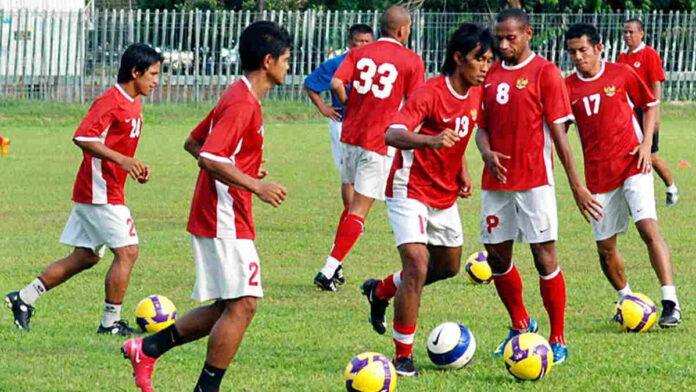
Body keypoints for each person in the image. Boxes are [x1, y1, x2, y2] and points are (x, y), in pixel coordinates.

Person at [121, 21, 290, 392]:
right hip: (222, 215)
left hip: (226, 212)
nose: (288, 66)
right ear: (268, 60)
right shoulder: (242, 102)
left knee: (228, 305)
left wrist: (240, 169)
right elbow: (209, 157)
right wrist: (255, 184)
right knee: (243, 305)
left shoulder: (241, 96)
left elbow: (195, 142)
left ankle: (147, 348)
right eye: (286, 59)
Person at [360, 24, 493, 376]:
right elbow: (391, 133)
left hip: (443, 192)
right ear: (458, 57)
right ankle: (402, 356)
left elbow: (459, 134)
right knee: (417, 264)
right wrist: (430, 141)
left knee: (448, 267)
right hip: (409, 188)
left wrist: (461, 168)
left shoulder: (477, 93)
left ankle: (381, 290)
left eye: (489, 60)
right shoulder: (429, 93)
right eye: (479, 59)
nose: (485, 67)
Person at [5, 44, 162, 335]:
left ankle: (23, 298)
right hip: (99, 192)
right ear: (135, 72)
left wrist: (132, 168)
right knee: (127, 252)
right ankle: (110, 323)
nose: (156, 81)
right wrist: (123, 160)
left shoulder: (134, 101)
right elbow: (82, 137)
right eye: (152, 74)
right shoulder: (111, 101)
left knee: (85, 256)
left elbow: (118, 145)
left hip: (106, 189)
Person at [475, 9, 602, 364]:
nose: (502, 44)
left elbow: (560, 135)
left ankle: (557, 337)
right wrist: (485, 153)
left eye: (510, 38)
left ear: (528, 33)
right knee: (496, 256)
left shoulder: (546, 73)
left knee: (543, 257)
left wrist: (577, 186)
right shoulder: (490, 73)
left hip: (535, 182)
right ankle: (520, 324)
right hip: (496, 182)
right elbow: (480, 127)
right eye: (499, 38)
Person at [564, 23, 682, 328]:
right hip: (598, 177)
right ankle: (627, 299)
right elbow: (559, 132)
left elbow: (650, 105)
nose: (578, 57)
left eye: (583, 50)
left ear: (598, 48)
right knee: (605, 248)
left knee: (648, 228)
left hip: (633, 164)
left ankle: (671, 302)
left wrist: (645, 145)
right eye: (572, 52)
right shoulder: (567, 88)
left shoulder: (621, 74)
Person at [313, 6, 425, 291]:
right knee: (361, 210)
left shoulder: (358, 53)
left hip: (349, 136)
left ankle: (335, 265)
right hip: (379, 143)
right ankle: (328, 269)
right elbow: (416, 106)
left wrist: (351, 104)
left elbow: (337, 82)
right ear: (402, 30)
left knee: (352, 206)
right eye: (408, 28)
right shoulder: (411, 60)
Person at [304, 24, 374, 287]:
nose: (362, 46)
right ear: (349, 42)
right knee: (349, 179)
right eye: (357, 41)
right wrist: (323, 106)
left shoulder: (376, 63)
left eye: (366, 41)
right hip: (343, 125)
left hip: (368, 127)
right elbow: (311, 84)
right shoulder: (338, 63)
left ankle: (352, 221)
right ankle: (352, 218)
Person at [617, 19, 679, 207]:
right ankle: (632, 198)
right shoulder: (622, 58)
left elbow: (656, 83)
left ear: (641, 34)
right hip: (630, 112)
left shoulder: (649, 54)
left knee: (649, 154)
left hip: (647, 111)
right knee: (628, 153)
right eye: (625, 32)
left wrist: (656, 111)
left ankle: (671, 187)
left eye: (631, 32)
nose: (628, 36)